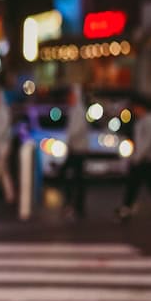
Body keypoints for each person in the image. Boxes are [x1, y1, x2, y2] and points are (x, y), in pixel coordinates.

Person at [116, 95, 151, 222]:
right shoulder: (142, 120)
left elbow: (148, 142)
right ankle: (126, 206)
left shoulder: (150, 120)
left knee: (149, 184)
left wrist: (138, 157)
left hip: (147, 159)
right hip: (142, 158)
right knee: (137, 184)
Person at [60, 85, 90, 220]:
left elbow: (75, 131)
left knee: (76, 178)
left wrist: (68, 140)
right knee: (75, 177)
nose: (69, 98)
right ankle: (74, 204)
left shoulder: (79, 111)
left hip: (78, 150)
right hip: (74, 149)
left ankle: (75, 205)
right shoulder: (73, 110)